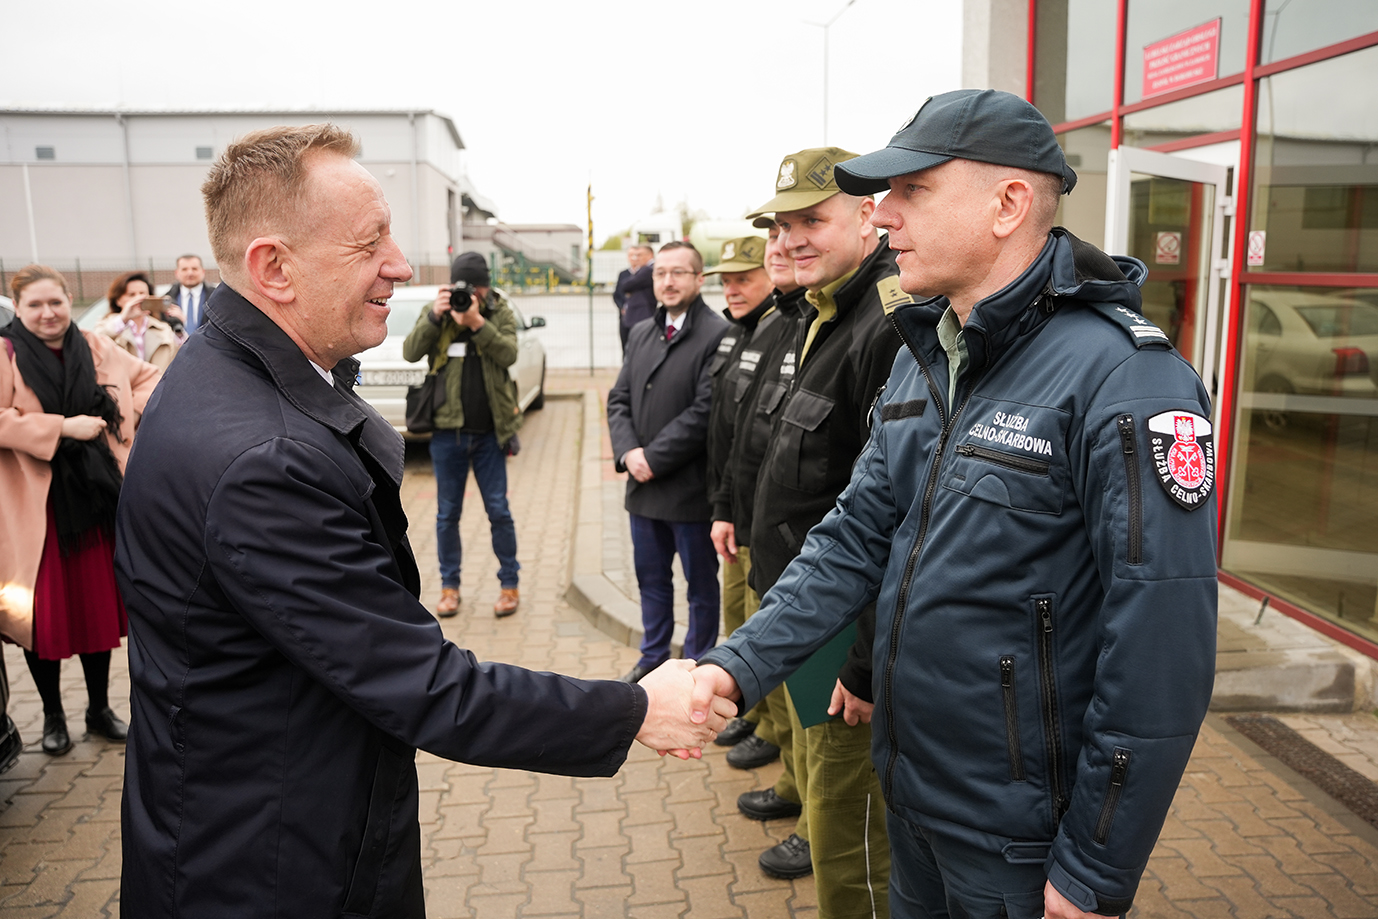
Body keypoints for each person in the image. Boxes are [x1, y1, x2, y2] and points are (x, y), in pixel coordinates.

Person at [113, 124, 733, 918]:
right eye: (370, 243)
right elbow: (426, 685)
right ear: (274, 268)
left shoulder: (220, 371)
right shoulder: (262, 460)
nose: (402, 266)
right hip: (275, 871)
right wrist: (636, 708)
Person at [693, 90, 1220, 919]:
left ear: (1009, 203)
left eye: (912, 191)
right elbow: (852, 538)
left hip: (1020, 839)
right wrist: (736, 665)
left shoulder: (1127, 377)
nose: (883, 214)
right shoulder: (926, 352)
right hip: (913, 799)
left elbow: (1161, 643)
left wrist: (1094, 868)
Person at [716, 147, 904, 899]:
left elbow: (891, 513)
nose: (790, 238)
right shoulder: (823, 312)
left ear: (867, 215)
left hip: (841, 626)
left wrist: (861, 663)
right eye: (781, 223)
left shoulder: (883, 324)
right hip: (806, 607)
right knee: (829, 801)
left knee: (845, 819)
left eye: (811, 220)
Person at [0, 265, 160, 757]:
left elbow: (149, 376)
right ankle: (52, 714)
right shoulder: (5, 353)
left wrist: (131, 419)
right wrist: (60, 428)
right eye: (35, 305)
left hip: (96, 500)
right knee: (39, 620)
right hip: (39, 510)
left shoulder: (93, 344)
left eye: (56, 303)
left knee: (94, 613)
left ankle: (98, 708)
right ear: (18, 308)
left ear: (70, 300)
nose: (48, 314)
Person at [712, 220, 809, 822]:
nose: (781, 250)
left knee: (806, 698)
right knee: (750, 640)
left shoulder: (802, 326)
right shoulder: (769, 328)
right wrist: (726, 508)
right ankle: (771, 734)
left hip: (801, 550)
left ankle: (798, 788)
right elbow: (743, 432)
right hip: (751, 525)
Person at [607, 240, 728, 684]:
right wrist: (627, 452)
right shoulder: (641, 332)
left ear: (699, 280)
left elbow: (705, 411)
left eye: (679, 273)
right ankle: (653, 654)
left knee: (700, 586)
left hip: (690, 490)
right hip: (642, 488)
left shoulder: (718, 334)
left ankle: (698, 665)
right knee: (651, 580)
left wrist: (652, 458)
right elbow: (619, 398)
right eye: (661, 273)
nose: (668, 281)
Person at [402, 251, 523, 618]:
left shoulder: (497, 311)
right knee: (446, 515)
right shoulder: (437, 312)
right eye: (464, 288)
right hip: (446, 435)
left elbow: (509, 354)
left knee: (499, 511)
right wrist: (437, 316)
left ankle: (509, 585)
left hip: (489, 434)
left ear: (485, 287)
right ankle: (449, 587)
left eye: (478, 288)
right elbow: (410, 352)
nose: (472, 295)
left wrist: (476, 323)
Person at [702, 235, 781, 749]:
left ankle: (774, 731)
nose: (732, 290)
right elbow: (729, 427)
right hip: (736, 509)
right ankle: (755, 716)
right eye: (726, 281)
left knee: (762, 626)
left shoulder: (778, 331)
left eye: (743, 279)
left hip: (764, 515)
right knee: (738, 620)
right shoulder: (736, 334)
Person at [101, 271, 181, 370]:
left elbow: (181, 358)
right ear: (118, 300)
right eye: (131, 295)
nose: (138, 298)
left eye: (142, 293)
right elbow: (97, 344)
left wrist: (181, 323)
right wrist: (124, 318)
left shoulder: (163, 328)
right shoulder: (108, 324)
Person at [617, 244, 656, 354]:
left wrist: (631, 289)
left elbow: (626, 285)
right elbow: (619, 291)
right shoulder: (637, 271)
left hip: (642, 315)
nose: (637, 258)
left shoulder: (648, 270)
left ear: (649, 255)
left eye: (639, 255)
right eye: (634, 255)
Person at [164, 253, 215, 334]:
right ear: (176, 273)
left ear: (203, 271)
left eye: (194, 269)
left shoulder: (216, 297)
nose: (190, 273)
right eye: (184, 269)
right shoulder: (165, 300)